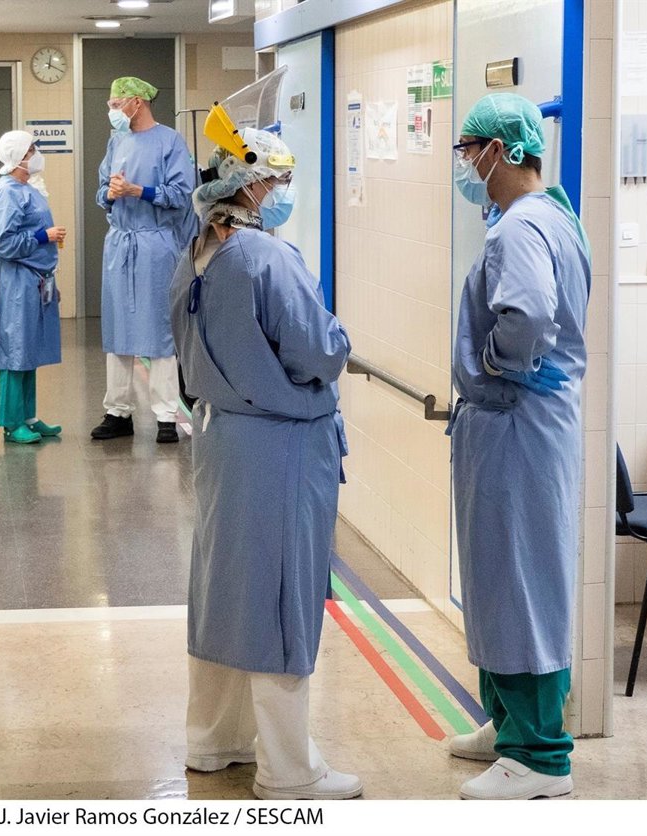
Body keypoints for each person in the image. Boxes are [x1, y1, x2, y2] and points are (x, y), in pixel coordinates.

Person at [170, 128, 361, 801]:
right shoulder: (268, 259)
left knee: (223, 591)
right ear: (250, 184)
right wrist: (339, 336)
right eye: (279, 179)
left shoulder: (195, 254)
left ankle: (213, 739)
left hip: (221, 439)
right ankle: (289, 769)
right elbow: (319, 351)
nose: (283, 192)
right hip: (280, 446)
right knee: (282, 598)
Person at [446, 93, 591, 800]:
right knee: (502, 578)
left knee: (522, 582)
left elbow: (528, 315)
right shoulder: (554, 217)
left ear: (501, 151)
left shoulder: (520, 229)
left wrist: (494, 363)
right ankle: (507, 724)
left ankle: (539, 756)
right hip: (524, 425)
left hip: (517, 424)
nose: (466, 163)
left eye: (470, 149)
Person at [91, 76, 197, 444]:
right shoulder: (116, 141)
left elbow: (181, 194)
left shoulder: (170, 142)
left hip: (155, 244)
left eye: (116, 103)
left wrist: (137, 190)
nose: (112, 110)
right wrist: (110, 193)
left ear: (137, 102)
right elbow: (101, 192)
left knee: (159, 331)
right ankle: (117, 412)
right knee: (117, 329)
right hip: (120, 244)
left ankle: (166, 415)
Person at [0, 130, 66, 445]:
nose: (37, 154)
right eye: (31, 150)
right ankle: (12, 423)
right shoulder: (6, 192)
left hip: (35, 278)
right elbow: (2, 242)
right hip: (16, 280)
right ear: (18, 157)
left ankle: (28, 416)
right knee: (15, 350)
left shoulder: (27, 189)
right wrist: (43, 237)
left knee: (28, 348)